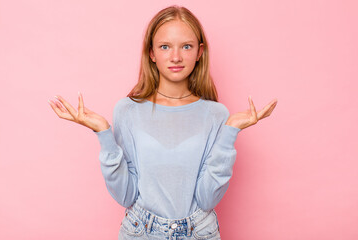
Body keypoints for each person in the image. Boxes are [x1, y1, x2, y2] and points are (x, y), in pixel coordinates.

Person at [48, 5, 277, 240]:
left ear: (199, 52)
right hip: (140, 232)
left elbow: (208, 199)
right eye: (165, 46)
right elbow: (125, 196)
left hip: (199, 232)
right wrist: (104, 133)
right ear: (151, 53)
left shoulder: (216, 114)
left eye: (186, 46)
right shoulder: (127, 110)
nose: (175, 57)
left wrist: (231, 132)